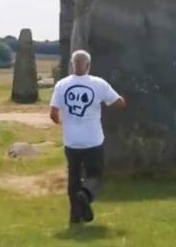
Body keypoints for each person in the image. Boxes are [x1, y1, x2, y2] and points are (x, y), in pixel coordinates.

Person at [49, 50, 126, 226]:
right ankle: (85, 195)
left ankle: (75, 217)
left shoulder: (61, 85)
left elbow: (53, 114)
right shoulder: (98, 84)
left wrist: (64, 123)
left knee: (73, 177)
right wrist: (123, 100)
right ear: (89, 66)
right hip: (93, 139)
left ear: (71, 65)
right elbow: (118, 103)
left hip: (71, 141)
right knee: (95, 174)